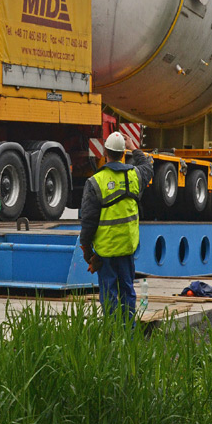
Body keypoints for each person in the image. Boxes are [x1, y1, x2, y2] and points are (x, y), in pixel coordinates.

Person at [78, 131, 153, 319]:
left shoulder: (95, 182)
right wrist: (134, 148)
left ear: (105, 153)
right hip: (127, 247)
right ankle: (129, 332)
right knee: (127, 290)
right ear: (123, 153)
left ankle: (112, 334)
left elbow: (88, 220)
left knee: (109, 293)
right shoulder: (134, 176)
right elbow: (147, 167)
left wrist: (87, 249)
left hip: (105, 250)